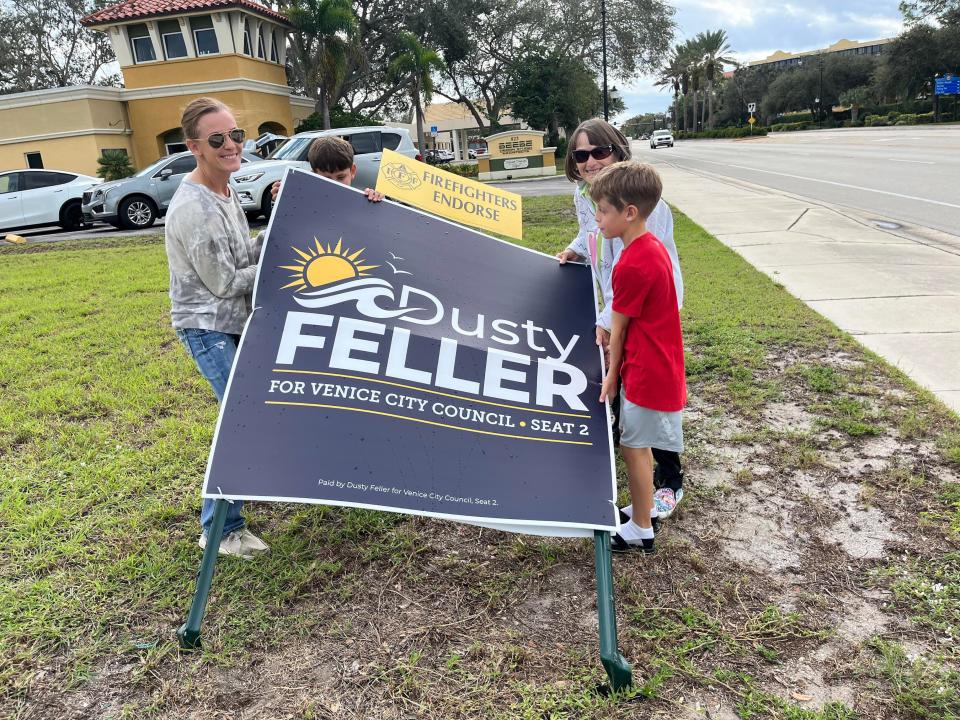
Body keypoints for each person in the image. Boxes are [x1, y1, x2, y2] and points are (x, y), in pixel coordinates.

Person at [555, 118, 686, 520]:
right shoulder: (588, 195)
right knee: (627, 396)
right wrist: (575, 251)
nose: (590, 161)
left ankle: (669, 480)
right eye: (581, 155)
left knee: (649, 398)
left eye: (599, 151)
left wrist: (608, 321)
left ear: (617, 150)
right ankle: (632, 470)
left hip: (643, 312)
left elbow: (634, 271)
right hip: (618, 308)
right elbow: (590, 232)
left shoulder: (647, 207)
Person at [165, 97, 269, 560]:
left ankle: (227, 523)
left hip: (233, 321)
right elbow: (225, 282)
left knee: (242, 420)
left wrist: (276, 232)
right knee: (239, 420)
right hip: (205, 326)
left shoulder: (225, 191)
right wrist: (275, 263)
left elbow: (240, 254)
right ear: (195, 147)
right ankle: (222, 531)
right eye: (217, 139)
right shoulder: (194, 207)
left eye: (236, 134)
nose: (231, 145)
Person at [595, 162, 686, 553]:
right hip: (660, 364)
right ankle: (643, 509)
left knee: (633, 447)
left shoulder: (631, 263)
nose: (596, 219)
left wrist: (612, 376)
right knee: (643, 443)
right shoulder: (653, 248)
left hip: (647, 371)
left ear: (629, 212)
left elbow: (619, 328)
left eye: (603, 211)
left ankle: (641, 528)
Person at [270, 135, 385, 203]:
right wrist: (282, 204)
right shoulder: (304, 203)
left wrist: (377, 202)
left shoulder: (364, 202)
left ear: (352, 171)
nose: (335, 184)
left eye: (341, 177)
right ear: (314, 175)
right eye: (327, 179)